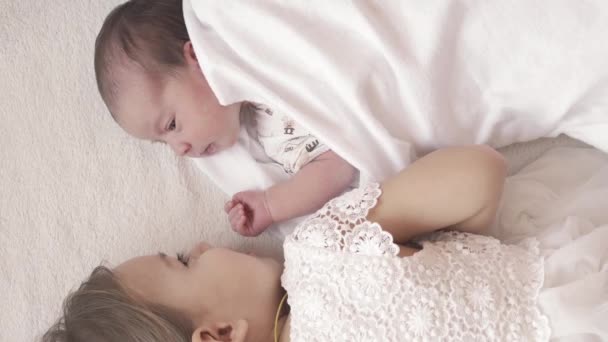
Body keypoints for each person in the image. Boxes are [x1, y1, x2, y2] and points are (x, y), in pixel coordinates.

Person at [45, 145, 575, 341]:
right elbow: (480, 172)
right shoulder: (319, 252)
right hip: (565, 300)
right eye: (184, 261)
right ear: (219, 335)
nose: (202, 246)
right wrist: (450, 253)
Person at [93, 0, 357, 237]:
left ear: (196, 56)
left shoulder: (263, 44)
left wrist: (270, 205)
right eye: (163, 142)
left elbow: (337, 165)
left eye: (172, 125)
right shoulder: (272, 131)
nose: (180, 149)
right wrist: (268, 205)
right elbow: (338, 164)